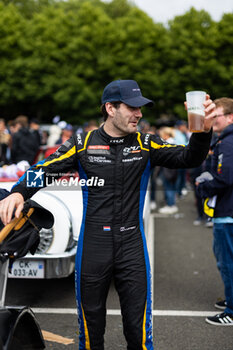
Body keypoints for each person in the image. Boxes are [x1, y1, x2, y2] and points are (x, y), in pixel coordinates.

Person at [0, 79, 216, 349]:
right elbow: (44, 169)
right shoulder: (82, 142)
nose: (139, 113)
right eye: (132, 107)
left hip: (132, 248)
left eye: (141, 108)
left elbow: (189, 158)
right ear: (110, 108)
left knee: (139, 336)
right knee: (91, 337)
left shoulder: (146, 143)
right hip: (93, 248)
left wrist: (202, 131)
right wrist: (18, 192)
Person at [196, 97, 233, 326]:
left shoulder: (228, 143)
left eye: (216, 115)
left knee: (227, 262)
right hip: (227, 210)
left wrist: (202, 187)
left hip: (227, 212)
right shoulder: (226, 141)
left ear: (230, 117)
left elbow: (226, 177)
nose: (212, 119)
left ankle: (231, 309)